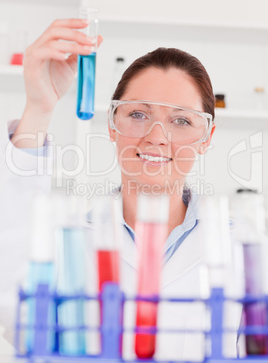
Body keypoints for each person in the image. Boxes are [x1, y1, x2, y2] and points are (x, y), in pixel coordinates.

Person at [1, 19, 241, 360]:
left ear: (207, 138)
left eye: (182, 120)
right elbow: (16, 312)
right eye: (139, 114)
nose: (157, 136)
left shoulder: (243, 249)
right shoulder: (70, 243)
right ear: (112, 124)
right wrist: (39, 108)